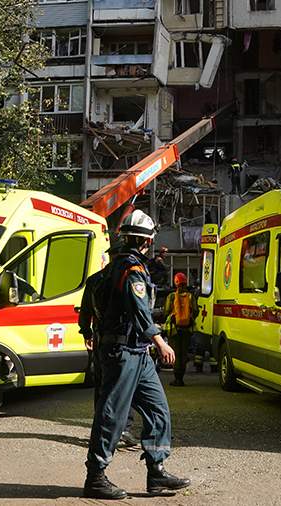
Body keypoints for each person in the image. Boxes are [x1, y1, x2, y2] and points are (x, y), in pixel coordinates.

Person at [84, 210, 190, 500]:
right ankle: (95, 477)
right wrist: (160, 341)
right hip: (123, 353)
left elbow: (90, 300)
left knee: (158, 410)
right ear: (147, 242)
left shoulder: (110, 270)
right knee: (112, 414)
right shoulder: (131, 271)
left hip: (136, 353)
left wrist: (86, 331)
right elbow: (139, 310)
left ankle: (156, 472)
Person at [78, 262, 138, 448]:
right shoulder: (127, 278)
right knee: (125, 386)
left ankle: (101, 429)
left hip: (101, 340)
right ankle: (124, 428)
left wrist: (86, 332)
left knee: (102, 386)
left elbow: (85, 310)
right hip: (124, 343)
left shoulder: (94, 280)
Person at [163, 273, 196, 387]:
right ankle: (181, 377)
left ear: (175, 283)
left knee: (176, 353)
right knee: (183, 353)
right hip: (187, 330)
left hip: (174, 330)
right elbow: (195, 311)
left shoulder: (171, 296)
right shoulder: (190, 296)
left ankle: (177, 378)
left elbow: (166, 311)